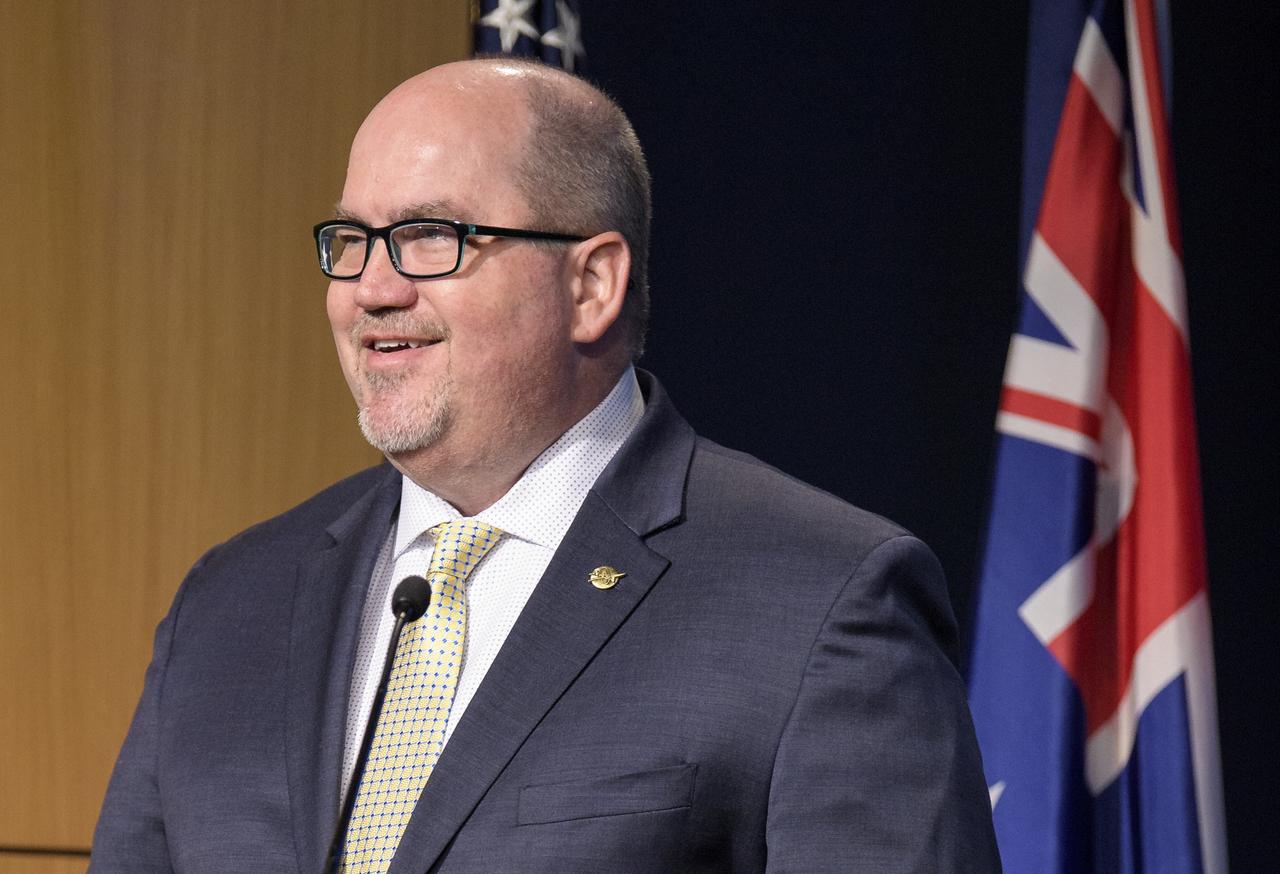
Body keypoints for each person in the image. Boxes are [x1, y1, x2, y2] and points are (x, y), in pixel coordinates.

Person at [91, 58, 999, 872]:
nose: (372, 289)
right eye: (353, 241)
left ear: (591, 284)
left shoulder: (821, 604)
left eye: (429, 237)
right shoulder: (228, 607)